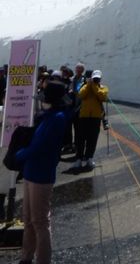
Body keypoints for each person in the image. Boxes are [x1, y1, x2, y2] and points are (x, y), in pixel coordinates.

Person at [14, 79, 68, 264]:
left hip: (41, 175)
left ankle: (42, 260)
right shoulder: (49, 116)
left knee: (40, 222)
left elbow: (40, 147)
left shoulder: (57, 118)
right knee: (28, 219)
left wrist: (19, 154)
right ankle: (26, 257)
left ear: (51, 99)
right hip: (31, 172)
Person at [74, 69, 108, 171]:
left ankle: (89, 158)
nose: (96, 79)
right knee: (81, 139)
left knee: (92, 139)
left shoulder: (103, 88)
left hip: (96, 117)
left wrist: (93, 86)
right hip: (84, 116)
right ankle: (79, 159)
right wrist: (89, 85)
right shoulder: (86, 86)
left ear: (100, 78)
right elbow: (80, 94)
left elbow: (102, 96)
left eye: (97, 78)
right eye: (94, 78)